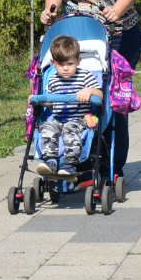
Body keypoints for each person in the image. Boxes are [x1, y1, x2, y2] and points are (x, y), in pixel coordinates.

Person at [41, 0, 141, 181]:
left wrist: (117, 10)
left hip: (119, 33)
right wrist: (49, 10)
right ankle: (78, 158)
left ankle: (112, 167)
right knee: (74, 92)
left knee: (111, 99)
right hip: (80, 35)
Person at [33, 34, 101, 178]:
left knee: (70, 129)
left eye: (69, 64)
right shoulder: (53, 79)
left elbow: (100, 95)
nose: (65, 68)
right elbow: (50, 102)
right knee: (47, 128)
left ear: (78, 61)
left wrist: (90, 91)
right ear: (53, 63)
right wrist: (38, 100)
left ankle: (69, 164)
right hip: (58, 118)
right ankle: (50, 161)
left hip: (78, 119)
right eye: (61, 64)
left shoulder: (85, 76)